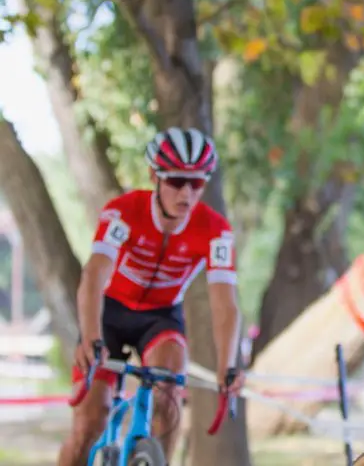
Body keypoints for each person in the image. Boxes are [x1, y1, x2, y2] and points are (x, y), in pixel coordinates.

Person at [57, 127, 245, 466]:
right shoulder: (123, 211)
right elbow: (94, 274)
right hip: (109, 314)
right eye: (175, 181)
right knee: (89, 422)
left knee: (170, 395)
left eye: (197, 183)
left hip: (160, 317)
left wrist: (228, 364)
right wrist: (90, 337)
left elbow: (224, 302)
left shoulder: (216, 230)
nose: (187, 194)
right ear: (153, 177)